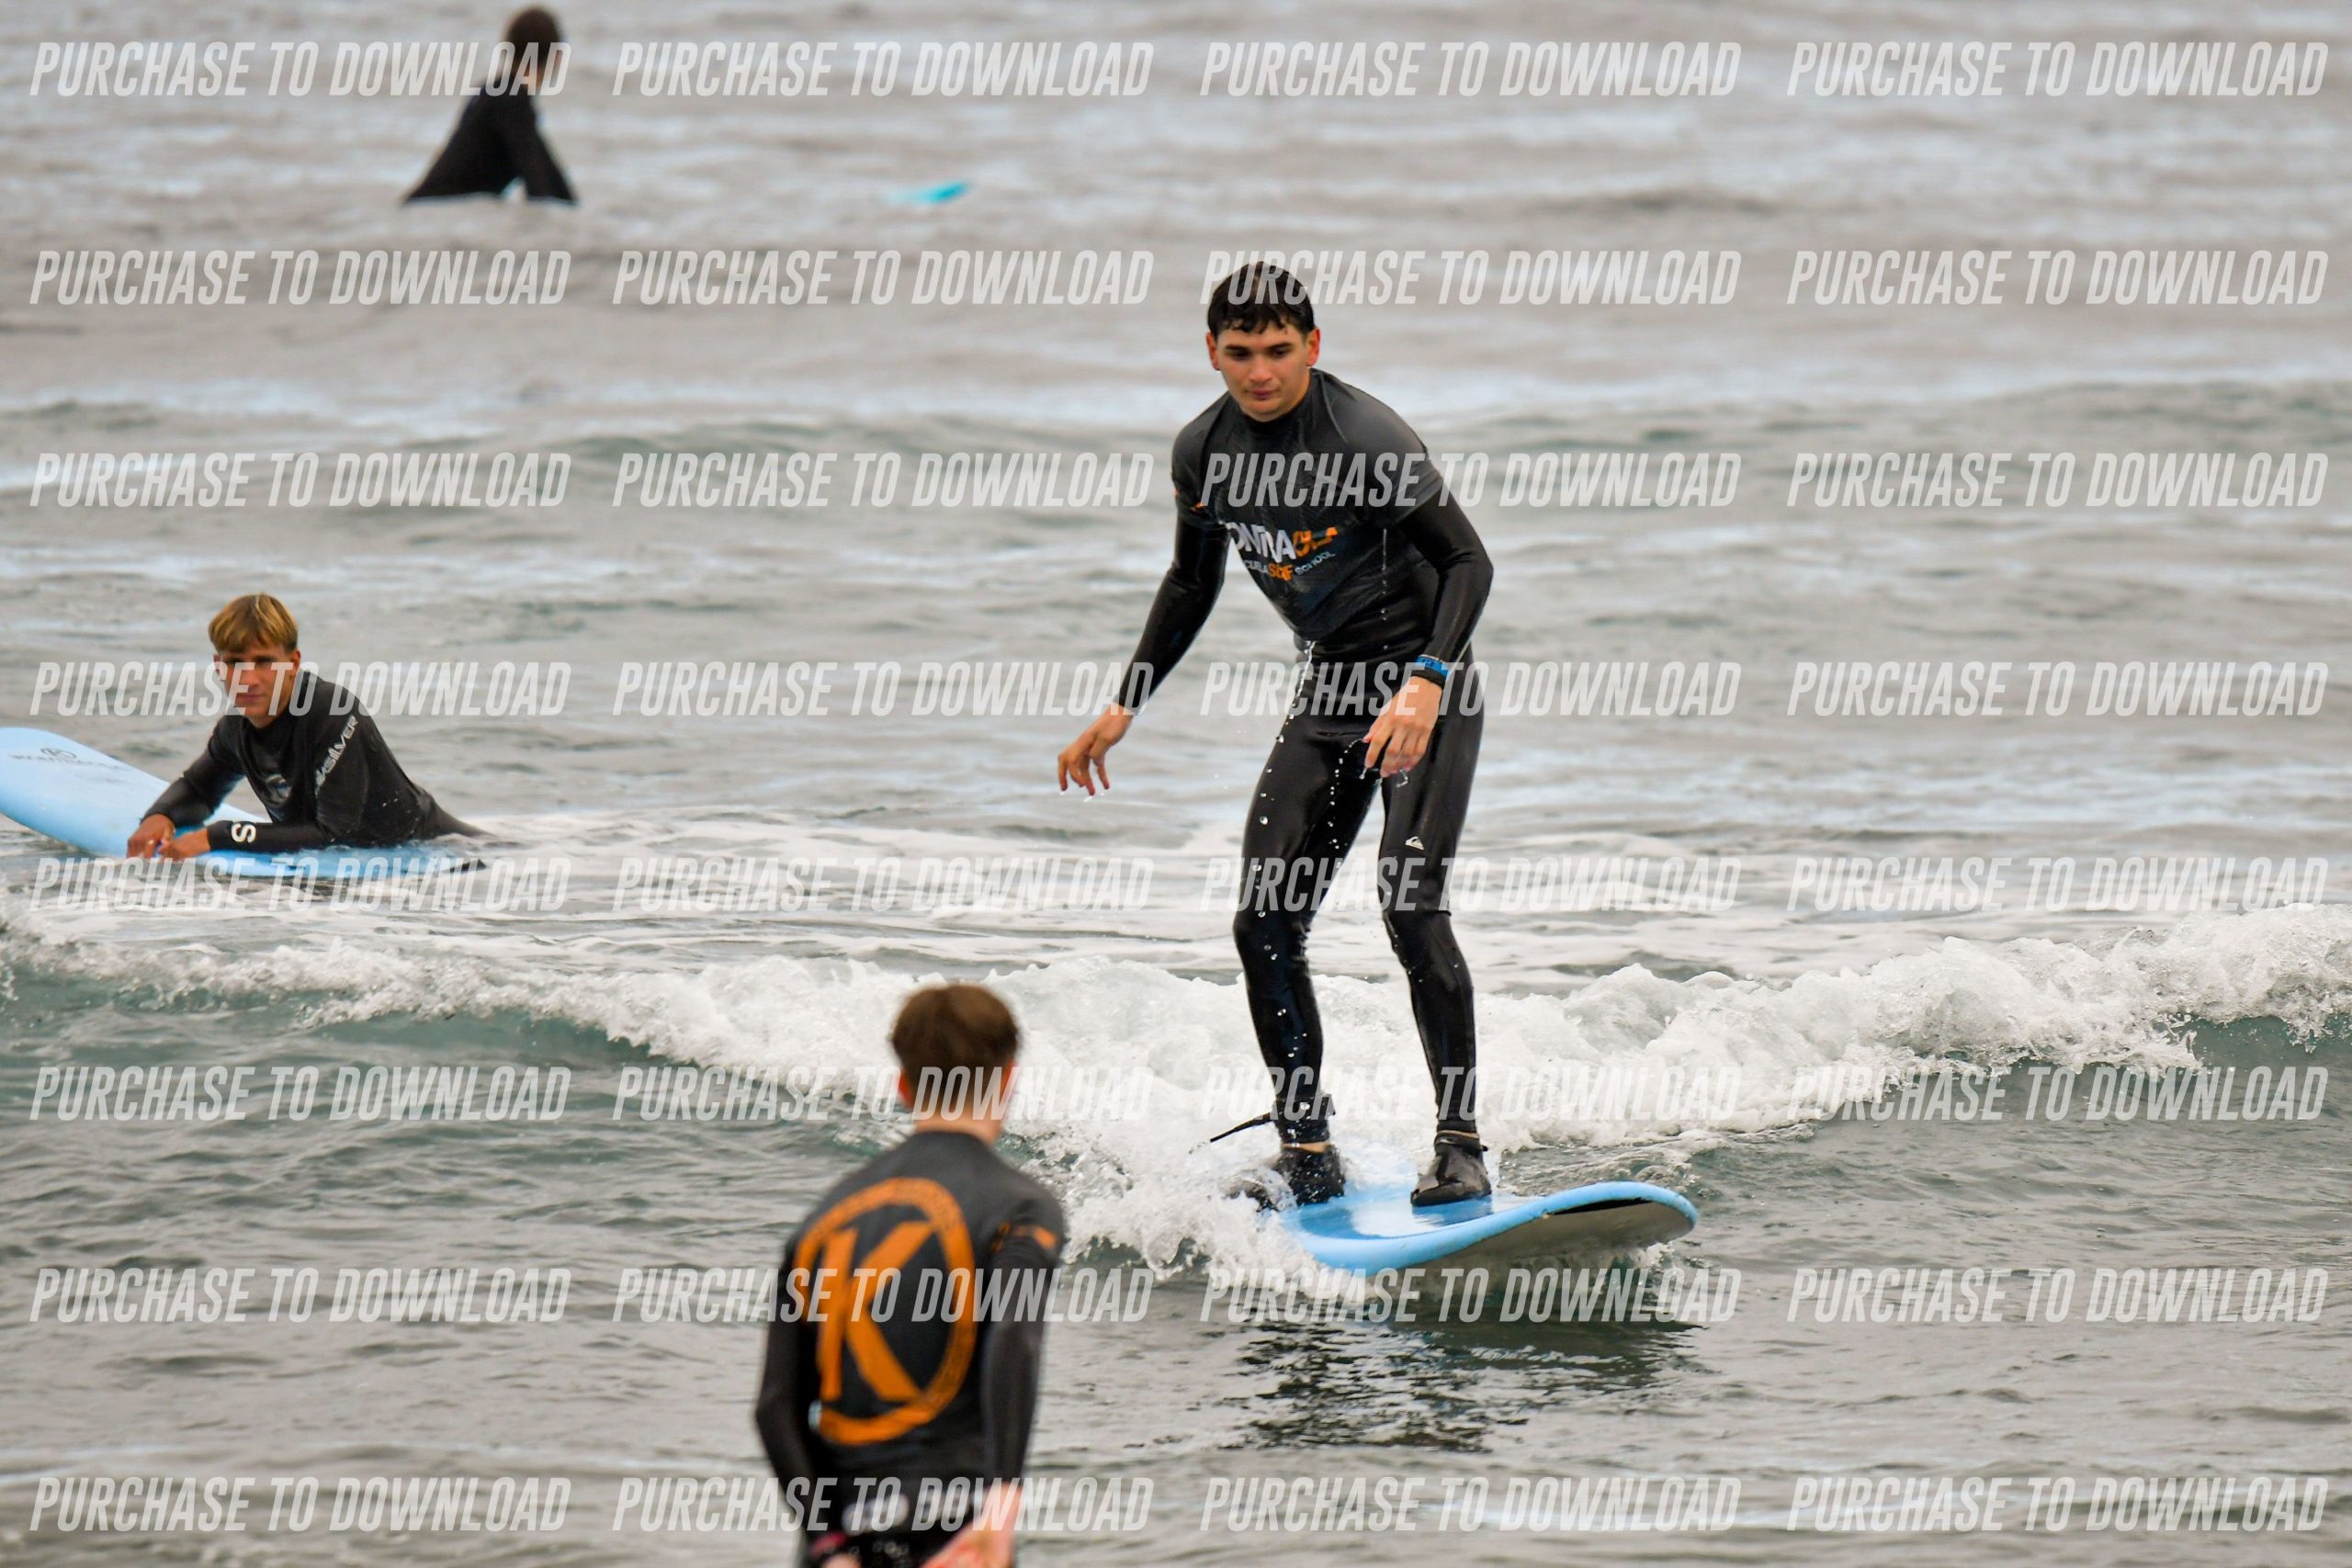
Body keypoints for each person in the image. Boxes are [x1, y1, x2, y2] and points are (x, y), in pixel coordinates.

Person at [1055, 263, 1496, 1209]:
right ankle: (1308, 1151)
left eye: (1279, 350)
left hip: (1423, 687)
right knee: (1263, 918)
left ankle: (1460, 1147)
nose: (1260, 371)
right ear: (1212, 352)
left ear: (1313, 346)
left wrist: (1427, 680)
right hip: (1330, 686)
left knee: (1410, 905)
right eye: (1241, 352)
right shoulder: (1204, 451)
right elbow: (1191, 579)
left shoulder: (1363, 437)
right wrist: (1126, 701)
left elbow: (1468, 559)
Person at [757, 984, 1064, 1568]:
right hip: (953, 1530)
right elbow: (1013, 1341)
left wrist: (828, 1546)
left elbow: (775, 1406)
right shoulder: (1020, 1207)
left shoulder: (823, 1218)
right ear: (1007, 1078)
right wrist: (1000, 1506)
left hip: (844, 1535)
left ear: (903, 1085)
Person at [126, 594, 474, 859]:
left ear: (293, 663)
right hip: (369, 864)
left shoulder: (330, 711)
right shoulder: (236, 729)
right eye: (234, 663)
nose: (248, 679)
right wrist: (160, 816)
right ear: (218, 666)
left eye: (264, 662)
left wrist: (220, 836)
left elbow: (335, 833)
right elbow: (199, 789)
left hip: (446, 853)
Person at [404, 7, 575, 204]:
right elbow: (539, 190)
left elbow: (555, 187)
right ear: (557, 57)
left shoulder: (497, 94)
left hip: (426, 211)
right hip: (436, 214)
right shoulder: (511, 102)